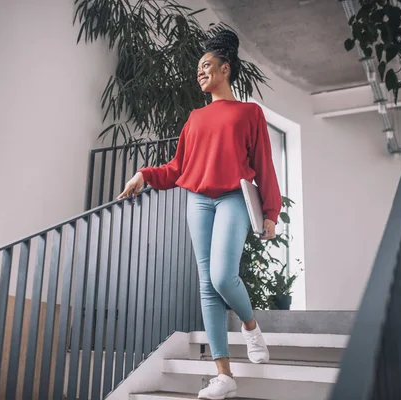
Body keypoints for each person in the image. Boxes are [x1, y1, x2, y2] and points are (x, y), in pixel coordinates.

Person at [118, 29, 281, 399]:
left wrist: (270, 211)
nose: (201, 73)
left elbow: (264, 165)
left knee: (224, 277)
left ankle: (251, 325)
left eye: (207, 66)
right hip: (198, 200)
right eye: (199, 69)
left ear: (226, 69)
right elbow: (178, 168)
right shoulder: (194, 119)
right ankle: (224, 375)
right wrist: (144, 174)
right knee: (207, 284)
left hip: (233, 199)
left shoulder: (249, 112)